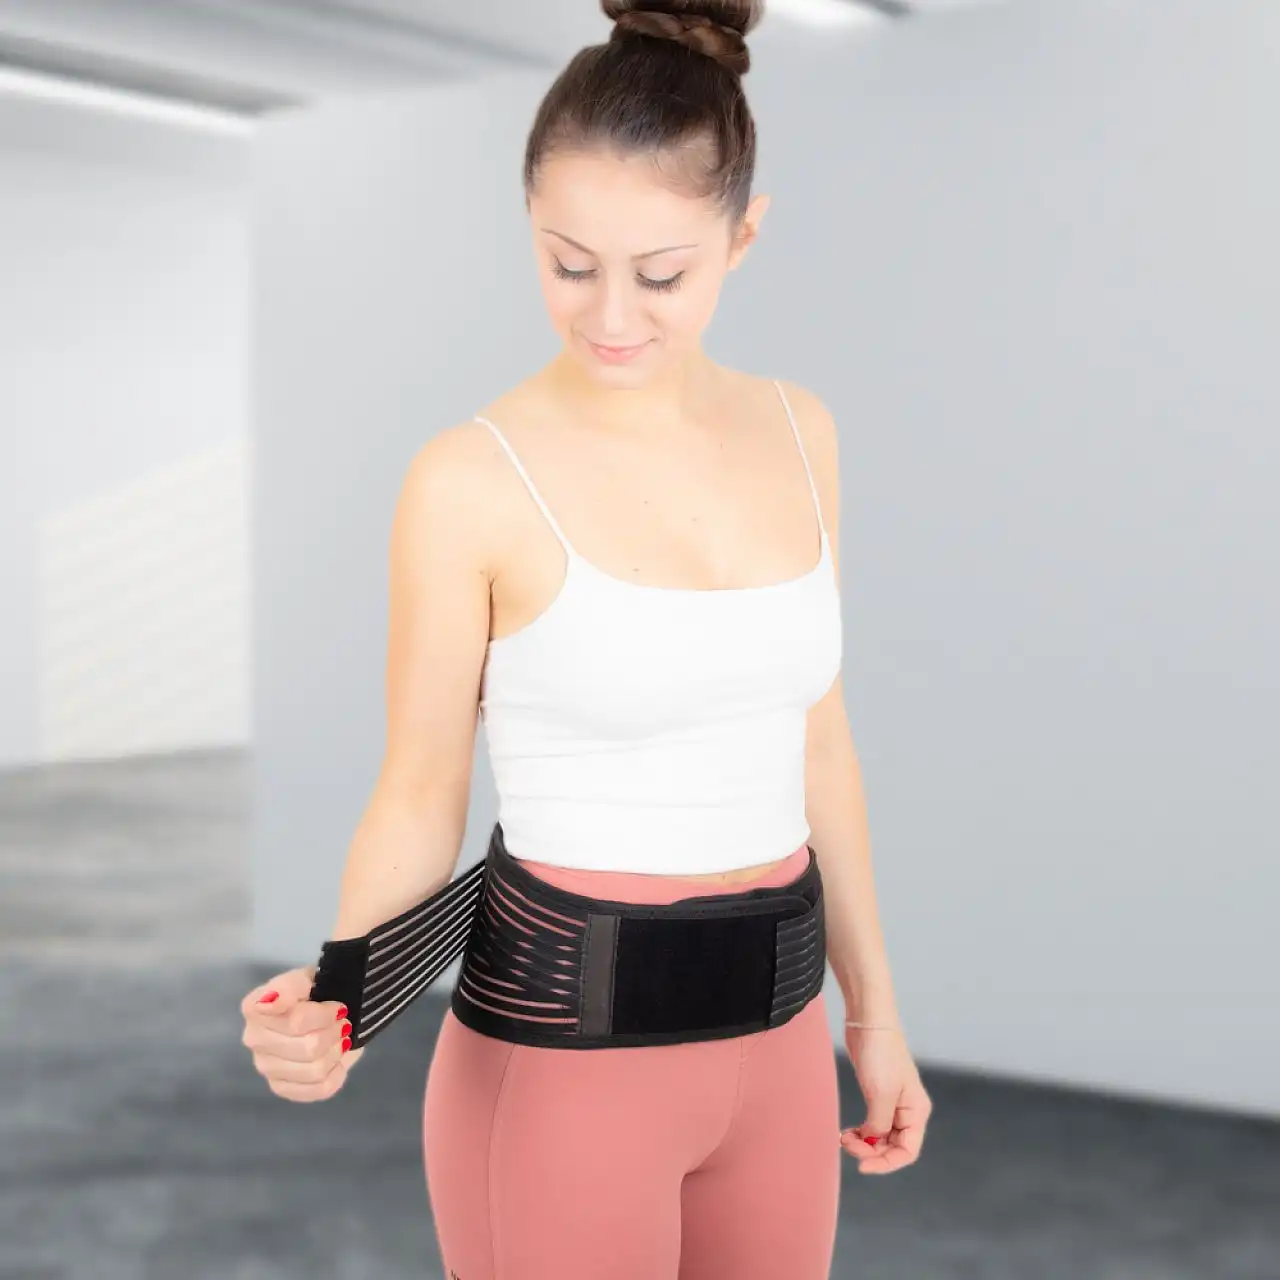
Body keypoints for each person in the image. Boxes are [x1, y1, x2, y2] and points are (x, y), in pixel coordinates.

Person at [238, 1, 932, 1275]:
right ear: (529, 230)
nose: (611, 314)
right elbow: (421, 786)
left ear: (743, 236)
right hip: (563, 1065)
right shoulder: (469, 480)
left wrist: (873, 1013)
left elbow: (816, 740)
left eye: (660, 274)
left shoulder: (800, 432)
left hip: (779, 1047)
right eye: (569, 265)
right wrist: (339, 991)